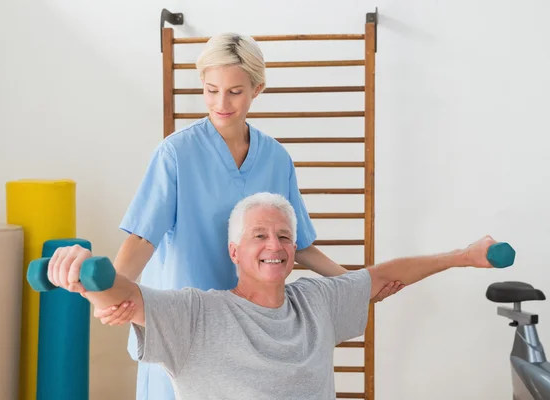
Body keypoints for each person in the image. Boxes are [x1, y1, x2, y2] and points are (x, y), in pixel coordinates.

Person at [96, 32, 401, 399]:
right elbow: (142, 238)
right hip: (184, 327)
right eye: (211, 90)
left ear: (257, 89)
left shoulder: (276, 158)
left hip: (250, 330)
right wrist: (112, 292)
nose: (220, 102)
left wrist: (358, 285)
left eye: (234, 92)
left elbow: (298, 245)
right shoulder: (176, 154)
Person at [50, 192, 504, 400]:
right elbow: (121, 296)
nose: (275, 245)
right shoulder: (197, 313)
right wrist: (85, 275)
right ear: (235, 251)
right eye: (260, 235)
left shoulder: (318, 301)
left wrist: (464, 256)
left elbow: (386, 274)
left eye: (285, 236)